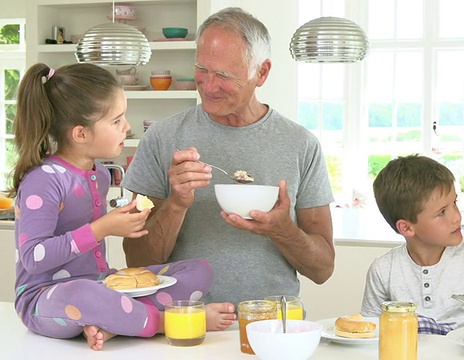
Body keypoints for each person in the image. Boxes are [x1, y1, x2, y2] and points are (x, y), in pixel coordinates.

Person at [121, 7, 335, 309]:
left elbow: (323, 269)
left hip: (272, 326)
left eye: (223, 75)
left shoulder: (301, 145)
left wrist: (281, 229)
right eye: (202, 70)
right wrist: (176, 205)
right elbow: (138, 261)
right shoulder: (161, 139)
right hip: (183, 322)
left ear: (261, 72)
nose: (208, 86)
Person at [11, 63, 232, 351]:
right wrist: (103, 228)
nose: (126, 127)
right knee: (85, 295)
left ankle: (114, 322)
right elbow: (33, 258)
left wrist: (128, 221)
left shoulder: (101, 175)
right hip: (45, 300)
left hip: (102, 285)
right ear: (81, 134)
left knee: (198, 270)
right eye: (116, 121)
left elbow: (90, 239)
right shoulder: (42, 180)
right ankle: (167, 322)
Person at [361, 154, 464, 330]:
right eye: (442, 212)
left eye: (454, 202)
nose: (456, 217)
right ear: (407, 228)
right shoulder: (383, 270)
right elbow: (371, 332)